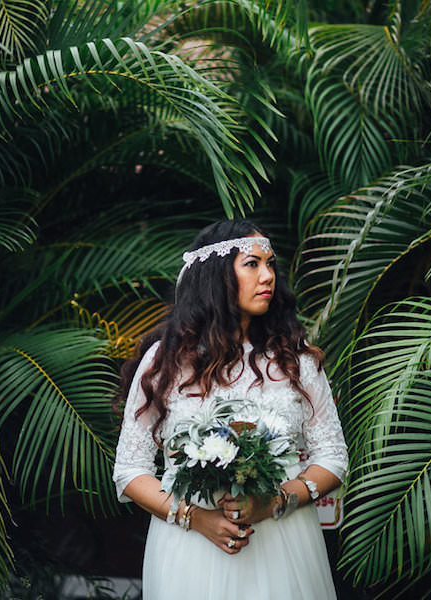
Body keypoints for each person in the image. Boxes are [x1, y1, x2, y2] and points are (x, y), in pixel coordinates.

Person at [113, 219, 348, 599]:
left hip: (283, 543)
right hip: (191, 548)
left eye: (270, 264)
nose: (267, 276)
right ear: (217, 275)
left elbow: (333, 457)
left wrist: (276, 500)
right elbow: (129, 469)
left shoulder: (295, 360)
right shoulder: (168, 361)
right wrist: (195, 518)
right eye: (252, 264)